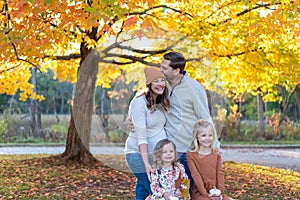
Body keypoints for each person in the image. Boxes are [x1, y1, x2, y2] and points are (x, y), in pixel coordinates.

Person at [128, 51, 220, 196]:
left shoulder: (194, 89)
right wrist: (131, 118)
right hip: (164, 149)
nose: (161, 71)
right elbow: (144, 100)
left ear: (177, 71)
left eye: (164, 68)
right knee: (147, 186)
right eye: (161, 67)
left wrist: (214, 144)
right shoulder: (163, 86)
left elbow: (205, 118)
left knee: (182, 190)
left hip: (185, 150)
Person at [124, 67, 170, 200]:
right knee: (159, 193)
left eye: (163, 80)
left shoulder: (161, 101)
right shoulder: (139, 102)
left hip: (155, 157)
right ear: (149, 84)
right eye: (156, 81)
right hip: (138, 155)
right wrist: (146, 164)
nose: (160, 84)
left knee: (143, 191)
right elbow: (141, 138)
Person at [186, 120, 230, 200]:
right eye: (203, 135)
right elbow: (195, 175)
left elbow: (220, 173)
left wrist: (220, 193)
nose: (207, 138)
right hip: (201, 192)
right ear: (197, 137)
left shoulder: (216, 154)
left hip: (216, 190)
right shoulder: (191, 155)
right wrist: (206, 195)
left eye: (210, 135)